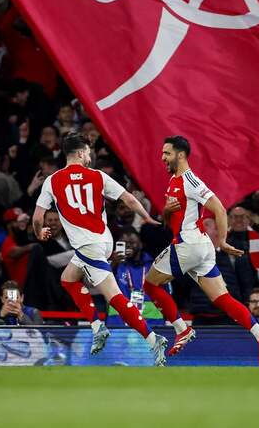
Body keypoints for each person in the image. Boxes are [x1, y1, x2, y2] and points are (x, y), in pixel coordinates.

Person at [33, 132, 168, 365]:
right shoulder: (97, 176)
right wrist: (147, 217)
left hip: (88, 246)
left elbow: (37, 217)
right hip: (101, 242)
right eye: (88, 151)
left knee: (114, 297)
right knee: (68, 279)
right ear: (81, 152)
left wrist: (39, 232)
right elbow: (129, 199)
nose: (90, 156)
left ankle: (153, 338)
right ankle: (98, 326)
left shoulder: (52, 181)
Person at [142, 135, 259, 364]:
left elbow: (220, 209)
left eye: (167, 153)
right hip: (199, 247)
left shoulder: (190, 181)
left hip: (189, 244)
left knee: (150, 284)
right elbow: (172, 219)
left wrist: (222, 241)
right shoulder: (174, 180)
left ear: (181, 155)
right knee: (221, 298)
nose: (162, 157)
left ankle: (182, 330)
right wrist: (166, 212)